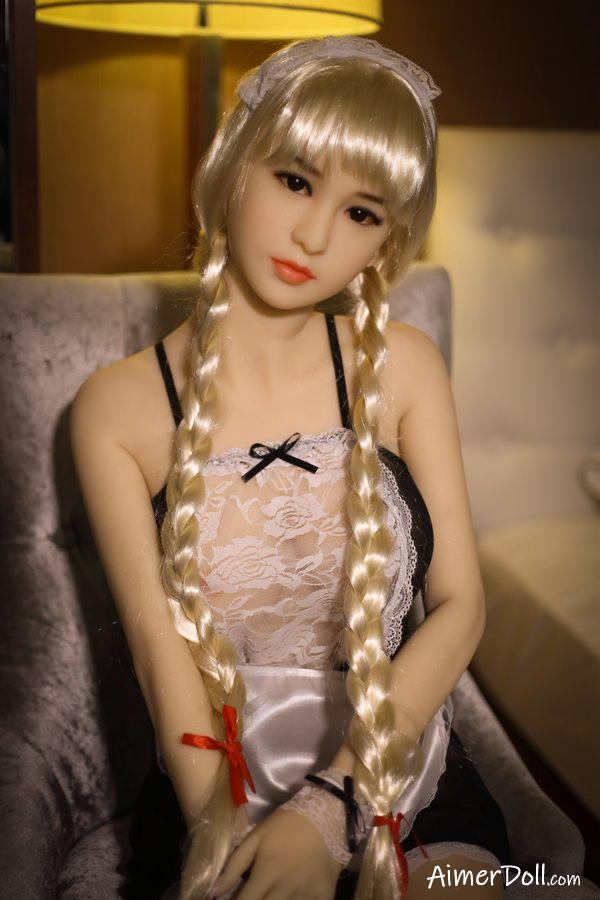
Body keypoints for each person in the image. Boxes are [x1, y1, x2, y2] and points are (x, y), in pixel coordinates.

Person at [69, 35, 510, 900]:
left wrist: (329, 807)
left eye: (362, 213)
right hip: (214, 789)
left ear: (387, 240)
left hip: (394, 772)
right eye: (297, 181)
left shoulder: (406, 366)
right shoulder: (115, 410)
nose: (313, 236)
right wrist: (224, 837)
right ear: (234, 164)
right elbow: (160, 660)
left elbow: (462, 606)